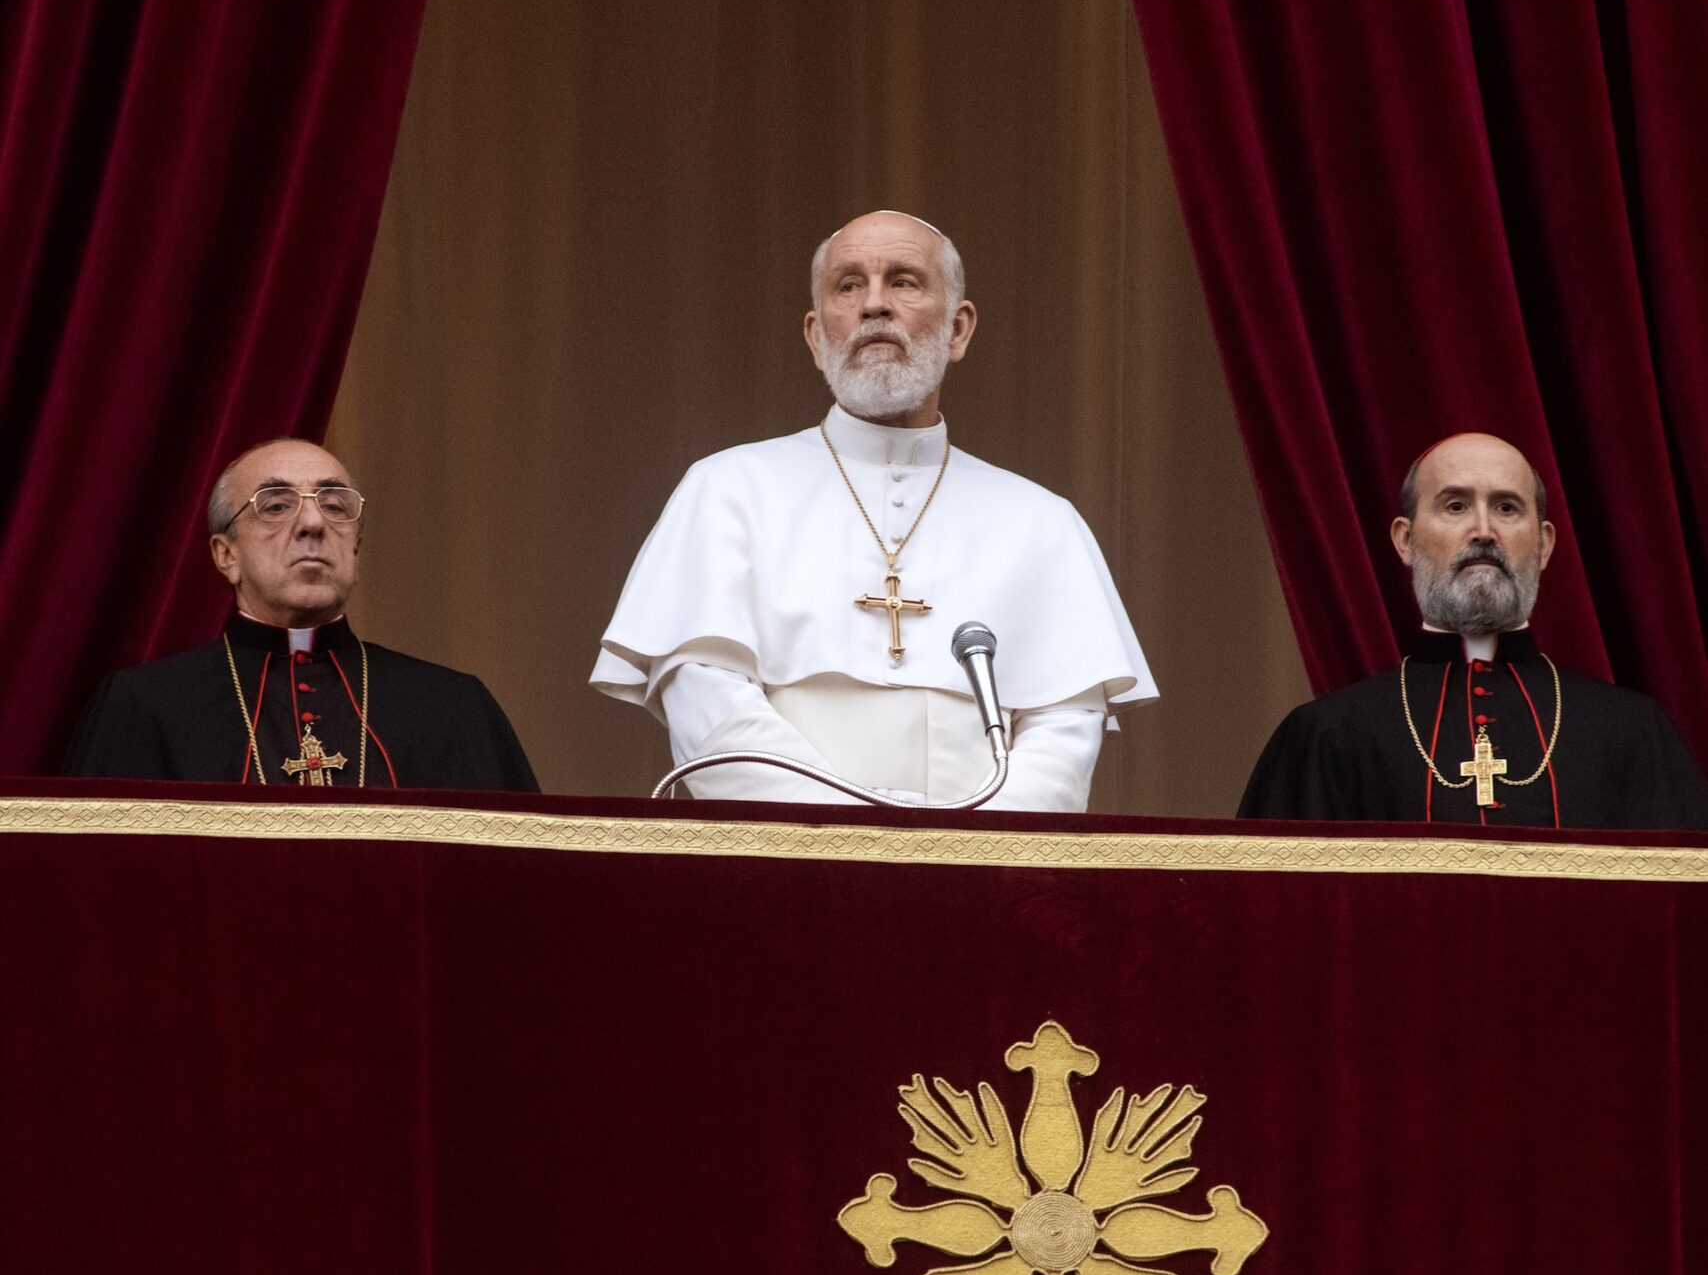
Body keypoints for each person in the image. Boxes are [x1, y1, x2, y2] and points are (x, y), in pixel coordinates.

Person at [593, 210, 1153, 809]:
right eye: (849, 285)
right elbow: (709, 709)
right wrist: (858, 842)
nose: (874, 305)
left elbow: (1061, 743)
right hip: (786, 870)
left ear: (959, 329)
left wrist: (966, 858)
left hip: (977, 884)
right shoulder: (726, 490)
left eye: (905, 281)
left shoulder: (1043, 523)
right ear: (816, 335)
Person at [1239, 432, 1708, 829]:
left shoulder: (1634, 733)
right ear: (1406, 540)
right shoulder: (1326, 737)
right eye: (1456, 505)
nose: (1483, 530)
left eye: (1506, 508)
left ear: (1543, 545)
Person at [66, 439, 538, 791]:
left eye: (335, 506)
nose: (313, 523)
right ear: (225, 554)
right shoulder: (143, 708)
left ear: (355, 546)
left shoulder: (453, 707)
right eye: (275, 506)